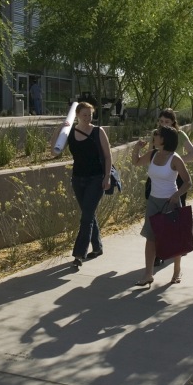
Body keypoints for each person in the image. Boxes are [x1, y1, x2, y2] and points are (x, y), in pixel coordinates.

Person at [131, 125, 192, 287]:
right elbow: (135, 162)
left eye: (157, 134)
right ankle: (148, 274)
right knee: (150, 238)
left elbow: (188, 182)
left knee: (174, 238)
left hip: (170, 202)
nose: (154, 136)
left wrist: (176, 196)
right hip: (153, 201)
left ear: (164, 139)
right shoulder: (152, 154)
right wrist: (136, 148)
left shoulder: (175, 158)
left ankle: (177, 271)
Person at [57, 102, 112, 269]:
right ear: (77, 115)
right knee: (88, 214)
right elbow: (54, 151)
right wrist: (59, 129)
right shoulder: (70, 132)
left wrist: (107, 177)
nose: (88, 118)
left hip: (96, 178)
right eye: (84, 115)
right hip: (78, 179)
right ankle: (97, 247)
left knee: (86, 217)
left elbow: (108, 157)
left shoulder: (98, 131)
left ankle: (79, 254)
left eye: (90, 115)